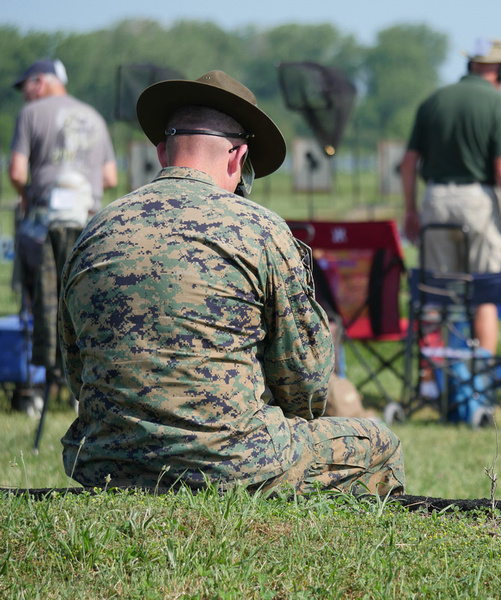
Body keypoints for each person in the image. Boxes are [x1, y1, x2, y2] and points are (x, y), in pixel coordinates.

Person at [59, 70, 405, 494]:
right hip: (228, 465)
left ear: (162, 150)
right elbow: (308, 386)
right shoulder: (259, 229)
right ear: (237, 158)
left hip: (104, 464)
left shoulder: (95, 231)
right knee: (379, 444)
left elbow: (78, 372)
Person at [401, 38, 501, 355]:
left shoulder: (433, 101)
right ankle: (479, 380)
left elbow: (408, 163)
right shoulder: (499, 105)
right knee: (483, 293)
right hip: (478, 203)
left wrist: (411, 211)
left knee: (437, 293)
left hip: (435, 199)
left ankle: (436, 379)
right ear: (499, 71)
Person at [9, 58, 118, 395]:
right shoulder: (96, 118)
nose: (25, 94)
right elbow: (110, 178)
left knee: (40, 301)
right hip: (87, 224)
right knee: (85, 301)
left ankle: (41, 384)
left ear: (41, 81)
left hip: (43, 224)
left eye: (26, 85)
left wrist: (26, 198)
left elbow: (16, 172)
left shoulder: (31, 114)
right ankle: (84, 385)